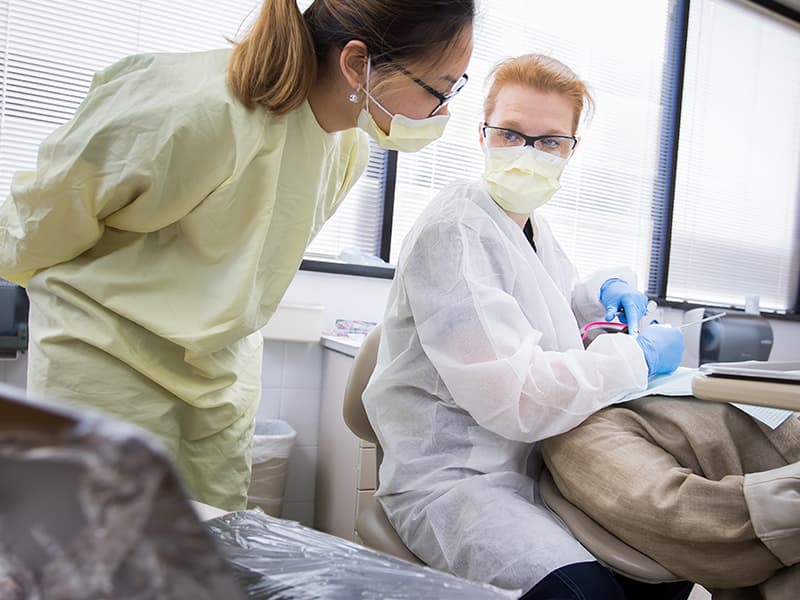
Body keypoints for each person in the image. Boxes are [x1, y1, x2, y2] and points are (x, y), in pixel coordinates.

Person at [0, 0, 475, 511]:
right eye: (439, 89)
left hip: (218, 374)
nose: (443, 111)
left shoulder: (347, 148)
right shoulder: (191, 105)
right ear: (358, 64)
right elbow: (41, 219)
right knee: (100, 563)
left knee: (204, 561)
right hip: (106, 360)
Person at [362, 53, 691, 600]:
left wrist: (607, 293)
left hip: (534, 476)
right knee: (586, 597)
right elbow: (519, 399)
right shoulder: (456, 230)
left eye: (550, 141)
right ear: (483, 134)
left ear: (570, 150)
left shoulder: (529, 226)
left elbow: (551, 299)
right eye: (511, 135)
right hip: (455, 484)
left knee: (668, 572)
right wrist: (636, 359)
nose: (529, 155)